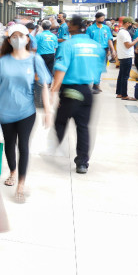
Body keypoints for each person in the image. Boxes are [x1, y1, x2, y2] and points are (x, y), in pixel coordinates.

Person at [0, 25, 52, 203]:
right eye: (13, 36)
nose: (17, 39)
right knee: (9, 143)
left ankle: (21, 182)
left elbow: (45, 84)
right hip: (5, 111)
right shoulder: (2, 61)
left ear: (28, 38)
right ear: (9, 40)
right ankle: (13, 171)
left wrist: (48, 109)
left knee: (23, 145)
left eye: (21, 35)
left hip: (26, 111)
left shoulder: (34, 59)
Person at [51, 15, 102, 174]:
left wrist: (53, 91)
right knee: (83, 127)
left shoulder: (68, 45)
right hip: (87, 91)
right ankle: (82, 163)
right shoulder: (95, 46)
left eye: (69, 25)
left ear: (73, 26)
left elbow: (61, 69)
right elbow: (99, 69)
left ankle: (56, 147)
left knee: (60, 121)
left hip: (70, 89)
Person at [86, 12, 116, 94]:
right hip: (93, 50)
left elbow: (109, 39)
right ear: (96, 18)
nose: (103, 20)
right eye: (101, 18)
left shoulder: (106, 28)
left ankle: (96, 84)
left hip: (104, 50)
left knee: (100, 67)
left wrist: (112, 50)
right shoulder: (90, 29)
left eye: (103, 18)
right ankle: (93, 84)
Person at [115, 17, 138, 101]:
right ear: (127, 23)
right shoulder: (124, 33)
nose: (132, 25)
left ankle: (119, 93)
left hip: (123, 56)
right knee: (125, 76)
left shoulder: (121, 32)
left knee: (121, 75)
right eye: (131, 24)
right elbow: (128, 45)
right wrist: (136, 40)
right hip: (126, 56)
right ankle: (124, 95)